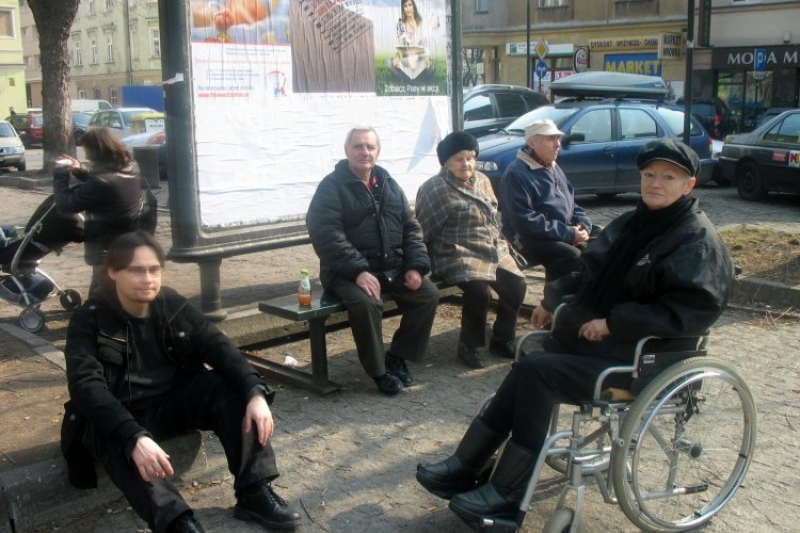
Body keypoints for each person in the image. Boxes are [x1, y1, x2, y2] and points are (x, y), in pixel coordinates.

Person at [416, 139, 735, 528]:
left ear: (689, 185)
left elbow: (693, 311)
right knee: (528, 364)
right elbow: (588, 270)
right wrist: (552, 299)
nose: (655, 183)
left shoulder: (696, 240)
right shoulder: (636, 222)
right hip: (599, 346)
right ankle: (466, 466)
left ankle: (507, 495)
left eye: (668, 177)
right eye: (649, 175)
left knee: (539, 373)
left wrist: (616, 322)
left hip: (640, 360)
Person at [60, 231, 301, 533]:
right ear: (113, 272)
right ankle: (177, 522)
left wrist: (255, 392)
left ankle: (253, 492)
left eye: (154, 269)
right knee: (108, 429)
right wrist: (133, 436)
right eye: (136, 270)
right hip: (118, 415)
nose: (147, 278)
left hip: (168, 405)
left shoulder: (170, 303)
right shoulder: (89, 319)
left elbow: (219, 347)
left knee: (230, 387)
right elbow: (86, 386)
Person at [306, 126, 439, 396]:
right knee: (367, 303)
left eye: (370, 147)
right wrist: (358, 271)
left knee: (427, 294)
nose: (364, 152)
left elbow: (411, 227)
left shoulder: (389, 183)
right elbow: (326, 234)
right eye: (358, 146)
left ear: (378, 152)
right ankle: (379, 372)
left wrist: (415, 265)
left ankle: (398, 355)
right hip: (344, 272)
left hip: (391, 266)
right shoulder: (332, 186)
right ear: (347, 151)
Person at [415, 131, 527, 369]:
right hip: (454, 251)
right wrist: (418, 264)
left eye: (470, 157)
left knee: (516, 283)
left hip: (489, 246)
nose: (466, 164)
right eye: (459, 159)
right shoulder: (435, 188)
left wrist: (503, 244)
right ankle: (469, 344)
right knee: (479, 290)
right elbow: (423, 230)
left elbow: (493, 218)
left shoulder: (482, 180)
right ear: (446, 162)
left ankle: (502, 338)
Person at [499, 119, 593, 282]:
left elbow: (570, 202)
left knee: (603, 245)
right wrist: (569, 234)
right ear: (532, 142)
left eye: (558, 138)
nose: (557, 145)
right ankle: (552, 303)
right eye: (551, 139)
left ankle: (581, 301)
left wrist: (583, 225)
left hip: (557, 233)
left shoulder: (552, 166)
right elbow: (525, 221)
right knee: (571, 256)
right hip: (526, 239)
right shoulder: (516, 173)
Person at [53, 127, 145, 293]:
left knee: (101, 296)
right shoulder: (132, 166)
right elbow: (107, 182)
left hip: (106, 246)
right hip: (130, 239)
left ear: (96, 151)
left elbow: (65, 205)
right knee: (118, 290)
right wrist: (80, 169)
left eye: (86, 150)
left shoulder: (100, 182)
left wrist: (60, 174)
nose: (85, 154)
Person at [389, 0, 436, 81]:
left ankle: (417, 77)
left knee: (431, 65)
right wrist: (397, 57)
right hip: (406, 60)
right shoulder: (400, 25)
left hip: (419, 59)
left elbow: (426, 45)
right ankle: (408, 78)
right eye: (405, 6)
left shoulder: (421, 24)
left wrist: (427, 59)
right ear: (403, 9)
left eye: (410, 5)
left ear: (414, 7)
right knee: (390, 63)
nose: (408, 8)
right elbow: (399, 45)